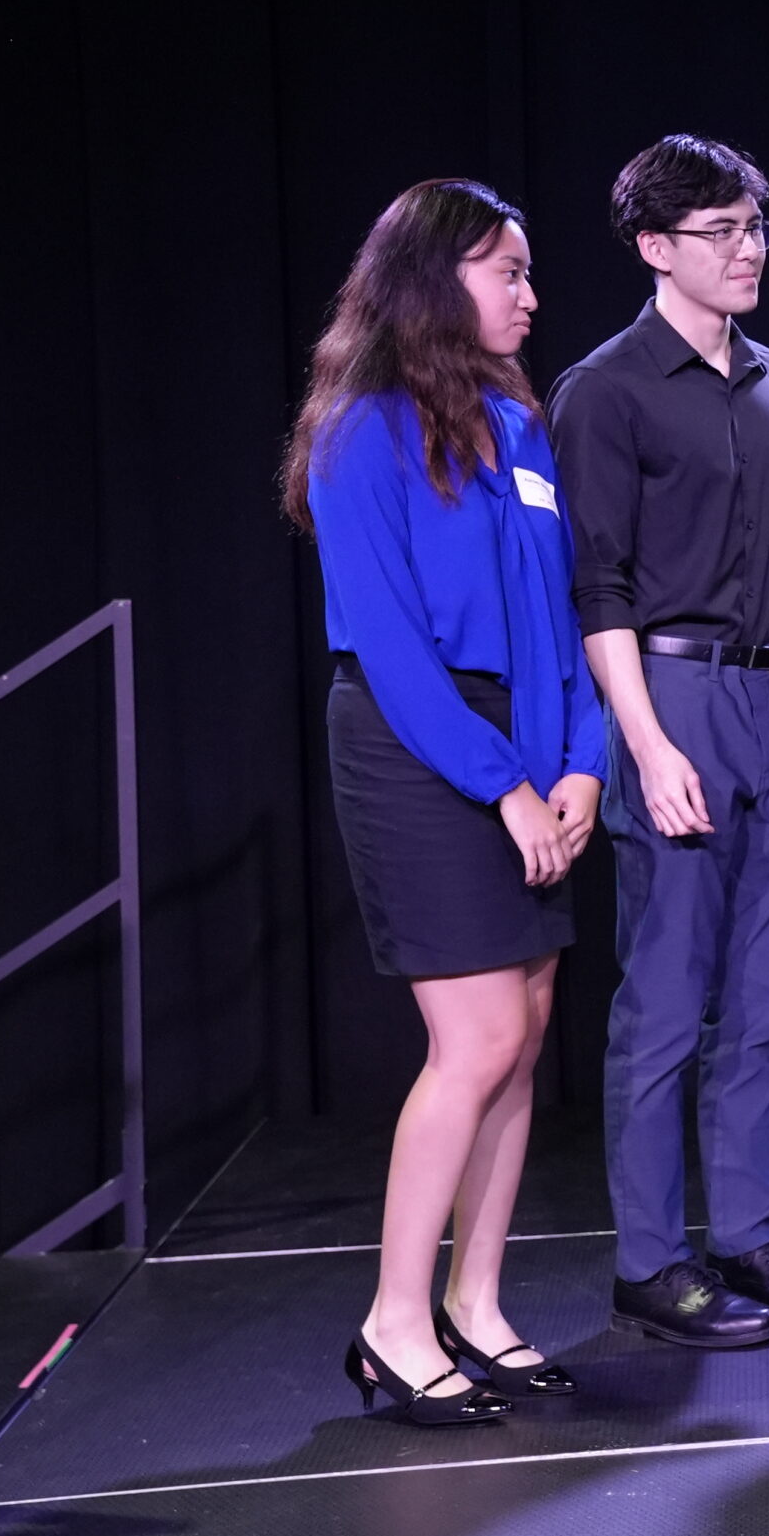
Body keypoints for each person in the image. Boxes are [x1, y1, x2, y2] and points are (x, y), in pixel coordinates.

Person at [550, 135, 769, 1351]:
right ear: (655, 247)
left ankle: (744, 1234)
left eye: (756, 227)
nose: (749, 250)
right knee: (664, 997)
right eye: (722, 231)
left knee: (758, 1000)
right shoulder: (604, 390)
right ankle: (650, 1261)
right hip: (672, 696)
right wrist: (644, 746)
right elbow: (598, 589)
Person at [284, 178, 605, 1425]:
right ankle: (393, 1321)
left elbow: (561, 621)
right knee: (473, 1040)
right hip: (417, 743)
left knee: (525, 1034)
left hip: (527, 743)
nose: (529, 295)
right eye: (505, 271)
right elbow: (392, 647)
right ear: (433, 279)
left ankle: (475, 1303)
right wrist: (504, 782)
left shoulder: (517, 426)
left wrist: (579, 766)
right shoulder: (361, 430)